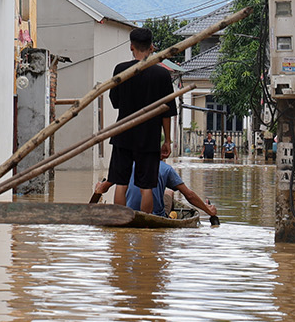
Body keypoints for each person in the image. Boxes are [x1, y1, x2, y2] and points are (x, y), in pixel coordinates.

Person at [89, 26, 175, 214]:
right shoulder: (162, 75)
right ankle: (144, 226)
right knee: (146, 187)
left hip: (124, 134)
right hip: (150, 138)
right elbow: (167, 112)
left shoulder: (121, 70)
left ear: (131, 47)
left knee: (121, 182)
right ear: (152, 47)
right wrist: (167, 140)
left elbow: (116, 102)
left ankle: (120, 221)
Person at [118, 160, 220, 226]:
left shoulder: (129, 165)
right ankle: (168, 215)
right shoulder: (166, 168)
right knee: (169, 192)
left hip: (129, 213)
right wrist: (208, 210)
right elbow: (189, 195)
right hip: (154, 217)